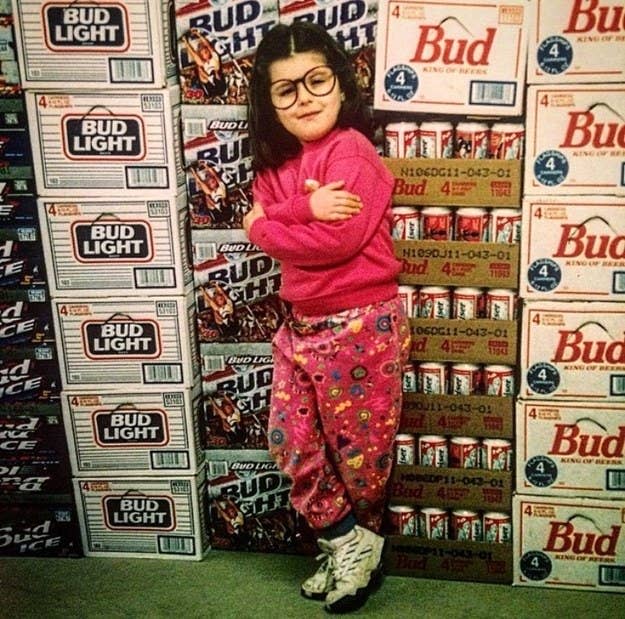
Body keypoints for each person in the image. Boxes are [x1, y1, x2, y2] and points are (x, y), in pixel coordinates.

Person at [243, 22, 410, 614]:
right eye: (285, 89)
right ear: (268, 101)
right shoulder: (274, 163)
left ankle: (355, 549)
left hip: (363, 320)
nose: (304, 97)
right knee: (290, 440)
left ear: (342, 85)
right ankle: (347, 541)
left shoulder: (353, 151)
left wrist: (269, 224)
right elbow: (283, 227)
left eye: (316, 80)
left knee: (360, 455)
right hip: (302, 322)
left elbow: (334, 241)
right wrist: (300, 208)